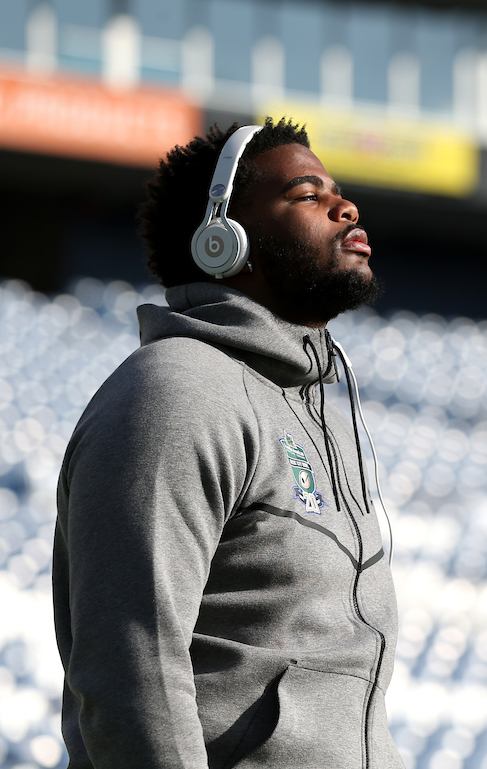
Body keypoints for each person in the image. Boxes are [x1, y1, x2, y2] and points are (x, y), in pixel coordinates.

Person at [52, 118, 402, 769]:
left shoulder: (313, 411)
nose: (345, 206)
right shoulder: (176, 390)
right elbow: (131, 679)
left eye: (338, 190)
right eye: (306, 193)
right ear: (223, 239)